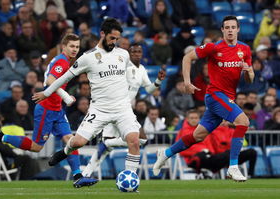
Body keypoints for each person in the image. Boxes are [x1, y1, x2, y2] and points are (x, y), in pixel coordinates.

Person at [32, 18, 155, 184]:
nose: (114, 42)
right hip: (99, 110)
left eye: (117, 39)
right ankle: (65, 151)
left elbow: (126, 78)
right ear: (102, 34)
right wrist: (46, 93)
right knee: (78, 142)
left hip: (122, 109)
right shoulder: (87, 58)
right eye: (112, 38)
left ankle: (130, 180)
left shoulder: (123, 55)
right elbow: (65, 77)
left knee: (134, 141)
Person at [0, 33, 97, 188]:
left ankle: (78, 176)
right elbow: (50, 80)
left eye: (77, 46)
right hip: (46, 109)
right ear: (63, 46)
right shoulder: (62, 61)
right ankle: (1, 136)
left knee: (71, 142)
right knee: (36, 147)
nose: (75, 49)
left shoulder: (66, 61)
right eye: (71, 46)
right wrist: (65, 96)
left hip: (57, 110)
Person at [152, 15, 255, 182]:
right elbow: (187, 58)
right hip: (215, 95)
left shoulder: (245, 50)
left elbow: (250, 79)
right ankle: (233, 167)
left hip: (227, 97)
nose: (230, 30)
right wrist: (187, 82)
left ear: (238, 29)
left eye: (233, 27)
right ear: (222, 30)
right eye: (226, 27)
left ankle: (165, 153)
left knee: (198, 136)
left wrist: (249, 71)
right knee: (243, 122)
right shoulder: (213, 47)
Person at [82, 43, 166, 177]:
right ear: (129, 54)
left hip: (125, 110)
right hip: (114, 106)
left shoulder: (142, 69)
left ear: (142, 54)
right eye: (133, 52)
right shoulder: (123, 66)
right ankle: (86, 173)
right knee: (136, 140)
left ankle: (103, 149)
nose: (136, 54)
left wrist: (158, 81)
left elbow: (148, 89)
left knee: (141, 139)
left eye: (139, 52)